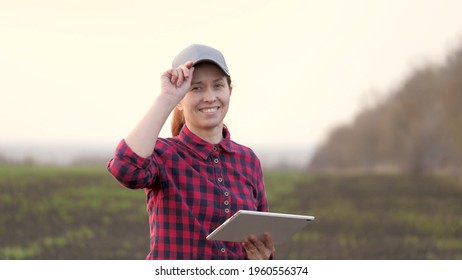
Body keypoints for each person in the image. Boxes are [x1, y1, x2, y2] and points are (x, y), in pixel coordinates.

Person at [107, 44, 274, 260]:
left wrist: (260, 263)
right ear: (179, 101)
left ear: (230, 90)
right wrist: (166, 98)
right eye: (196, 88)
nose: (209, 97)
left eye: (217, 86)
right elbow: (125, 169)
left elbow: (263, 239)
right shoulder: (163, 154)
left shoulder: (249, 160)